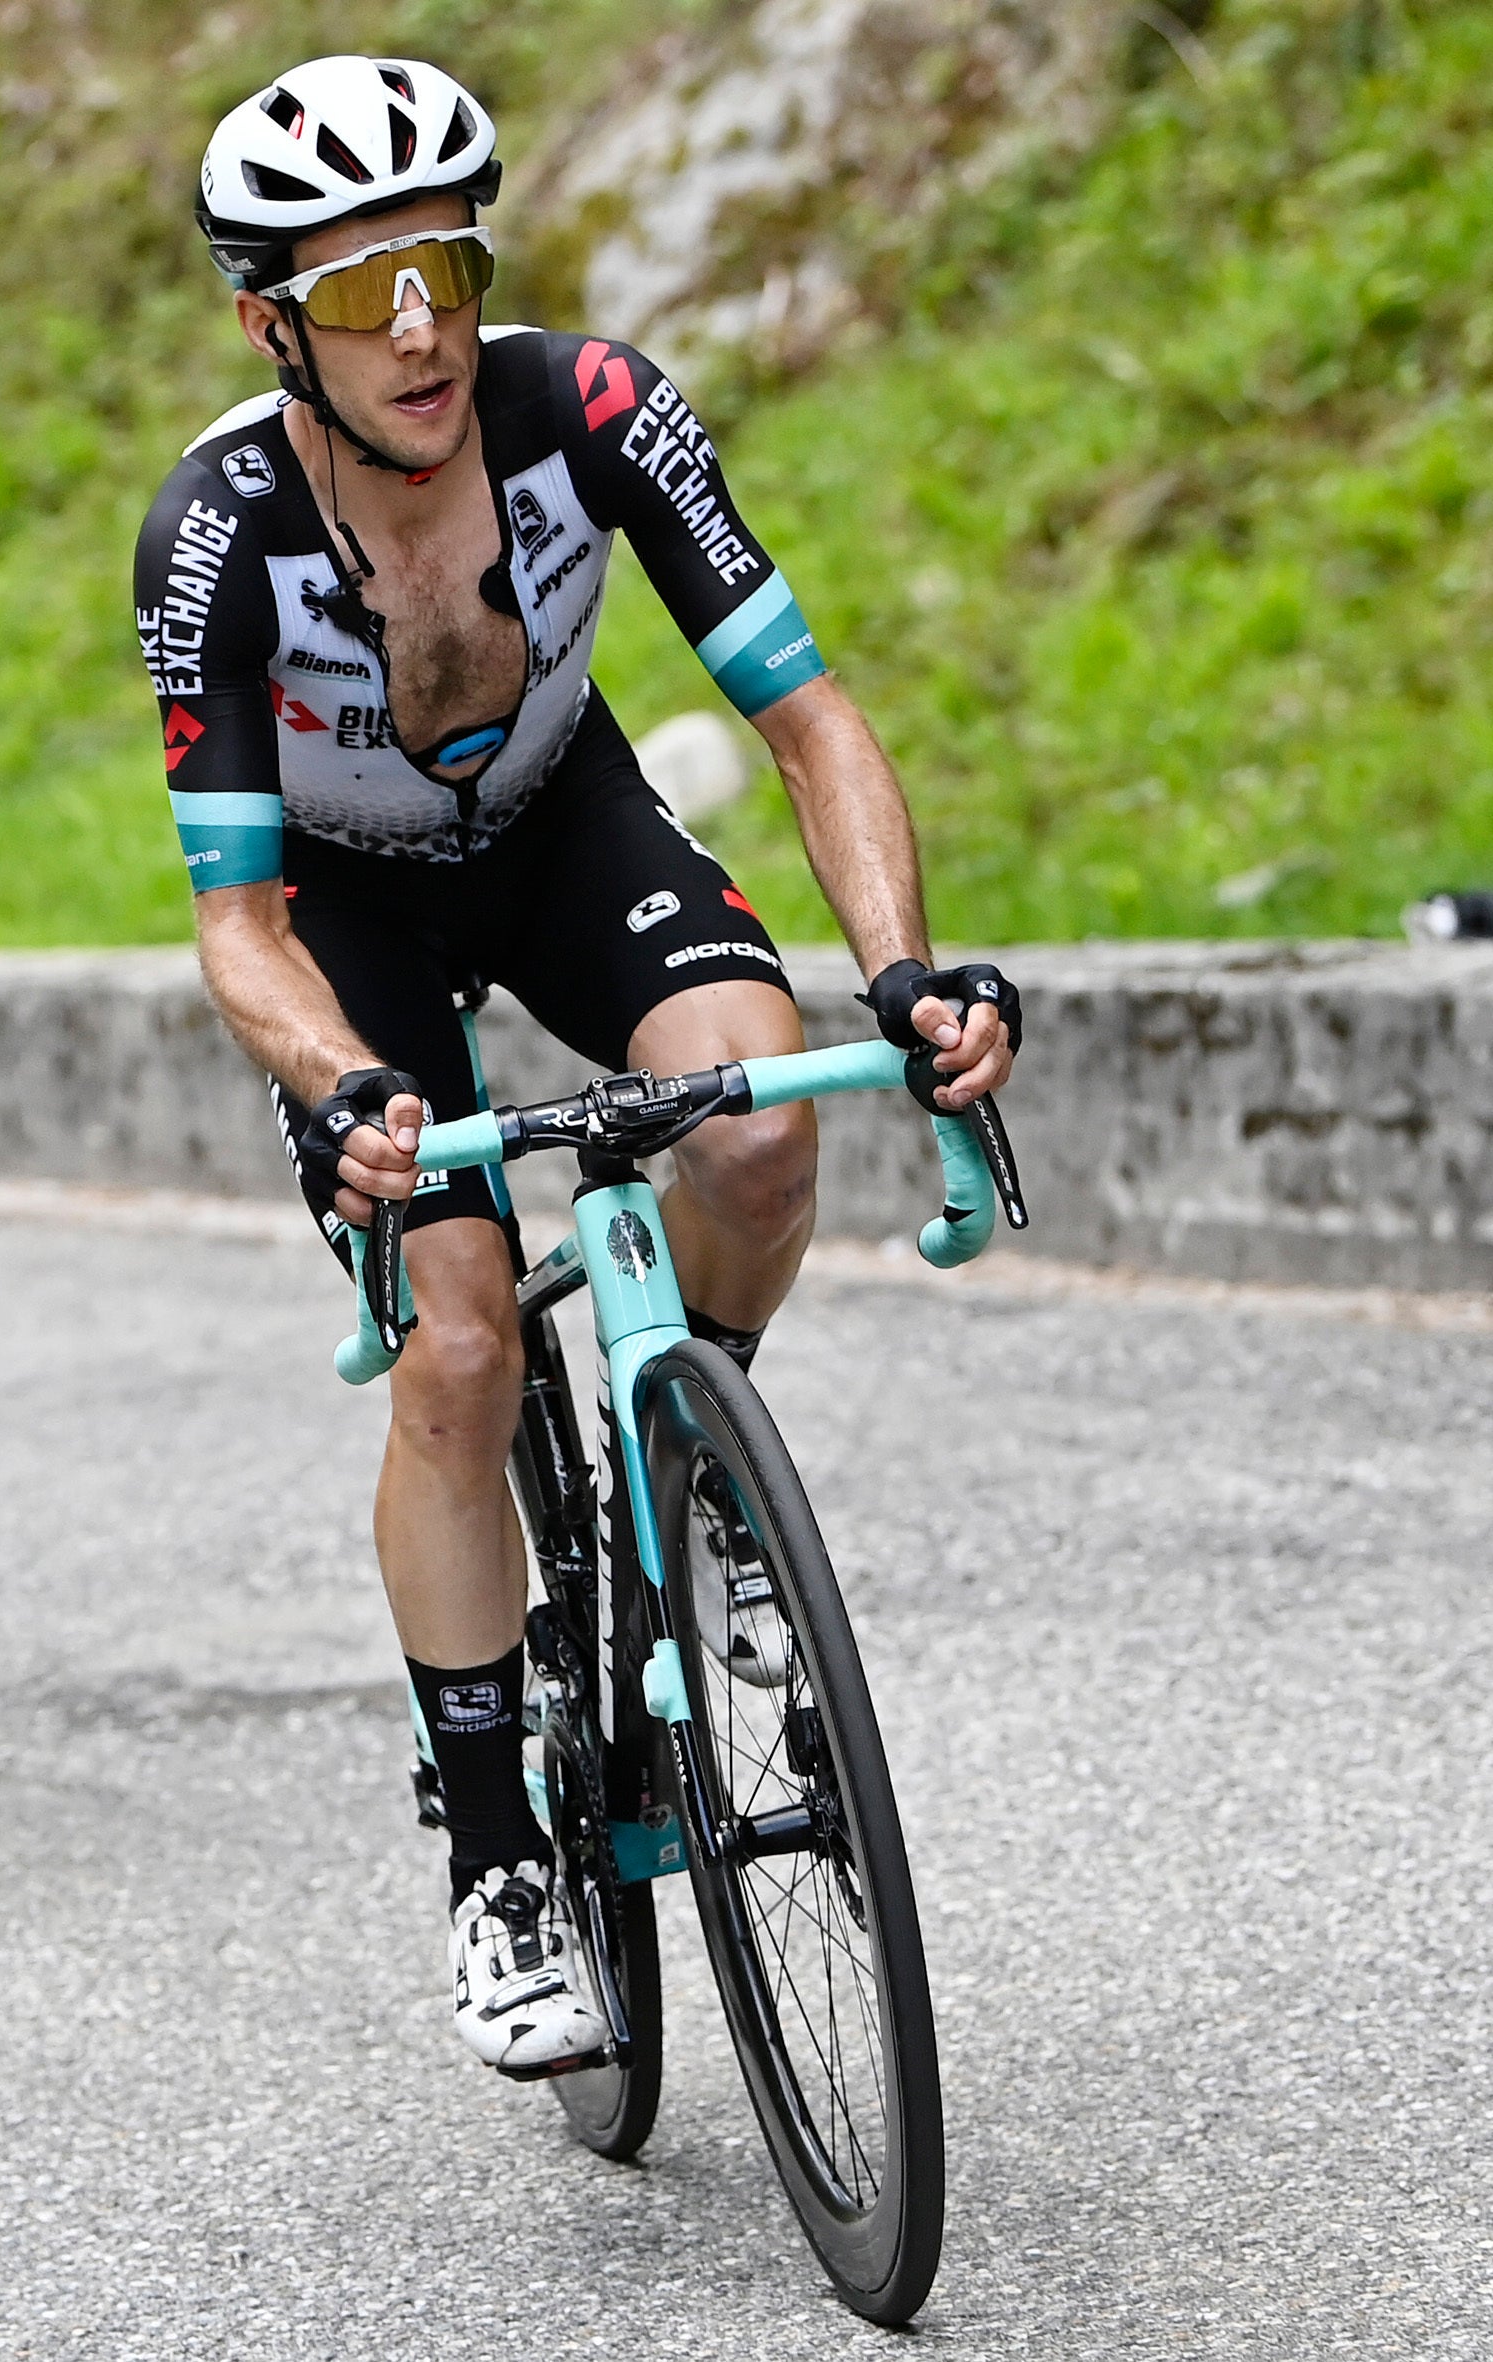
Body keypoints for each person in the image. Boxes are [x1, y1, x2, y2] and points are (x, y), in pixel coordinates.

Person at [141, 55, 1021, 2077]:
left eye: (442, 263)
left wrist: (900, 971)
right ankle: (489, 1854)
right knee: (453, 1341)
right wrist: (348, 1092)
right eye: (359, 294)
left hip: (558, 828)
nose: (423, 326)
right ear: (270, 323)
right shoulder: (217, 536)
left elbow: (802, 715)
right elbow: (232, 920)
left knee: (754, 1117)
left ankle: (696, 1472)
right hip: (345, 910)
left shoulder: (593, 408)